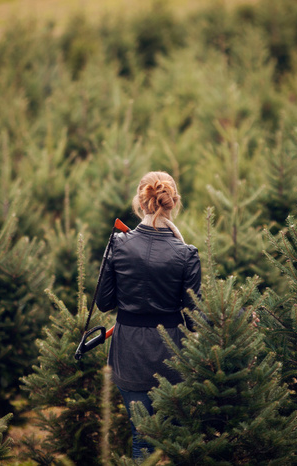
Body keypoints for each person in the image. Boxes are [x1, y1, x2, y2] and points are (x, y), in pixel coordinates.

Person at [95, 171, 201, 459]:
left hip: (128, 354)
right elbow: (193, 320)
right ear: (173, 203)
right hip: (171, 355)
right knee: (178, 441)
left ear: (140, 203)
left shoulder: (118, 245)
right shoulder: (187, 254)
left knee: (142, 441)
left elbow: (104, 303)